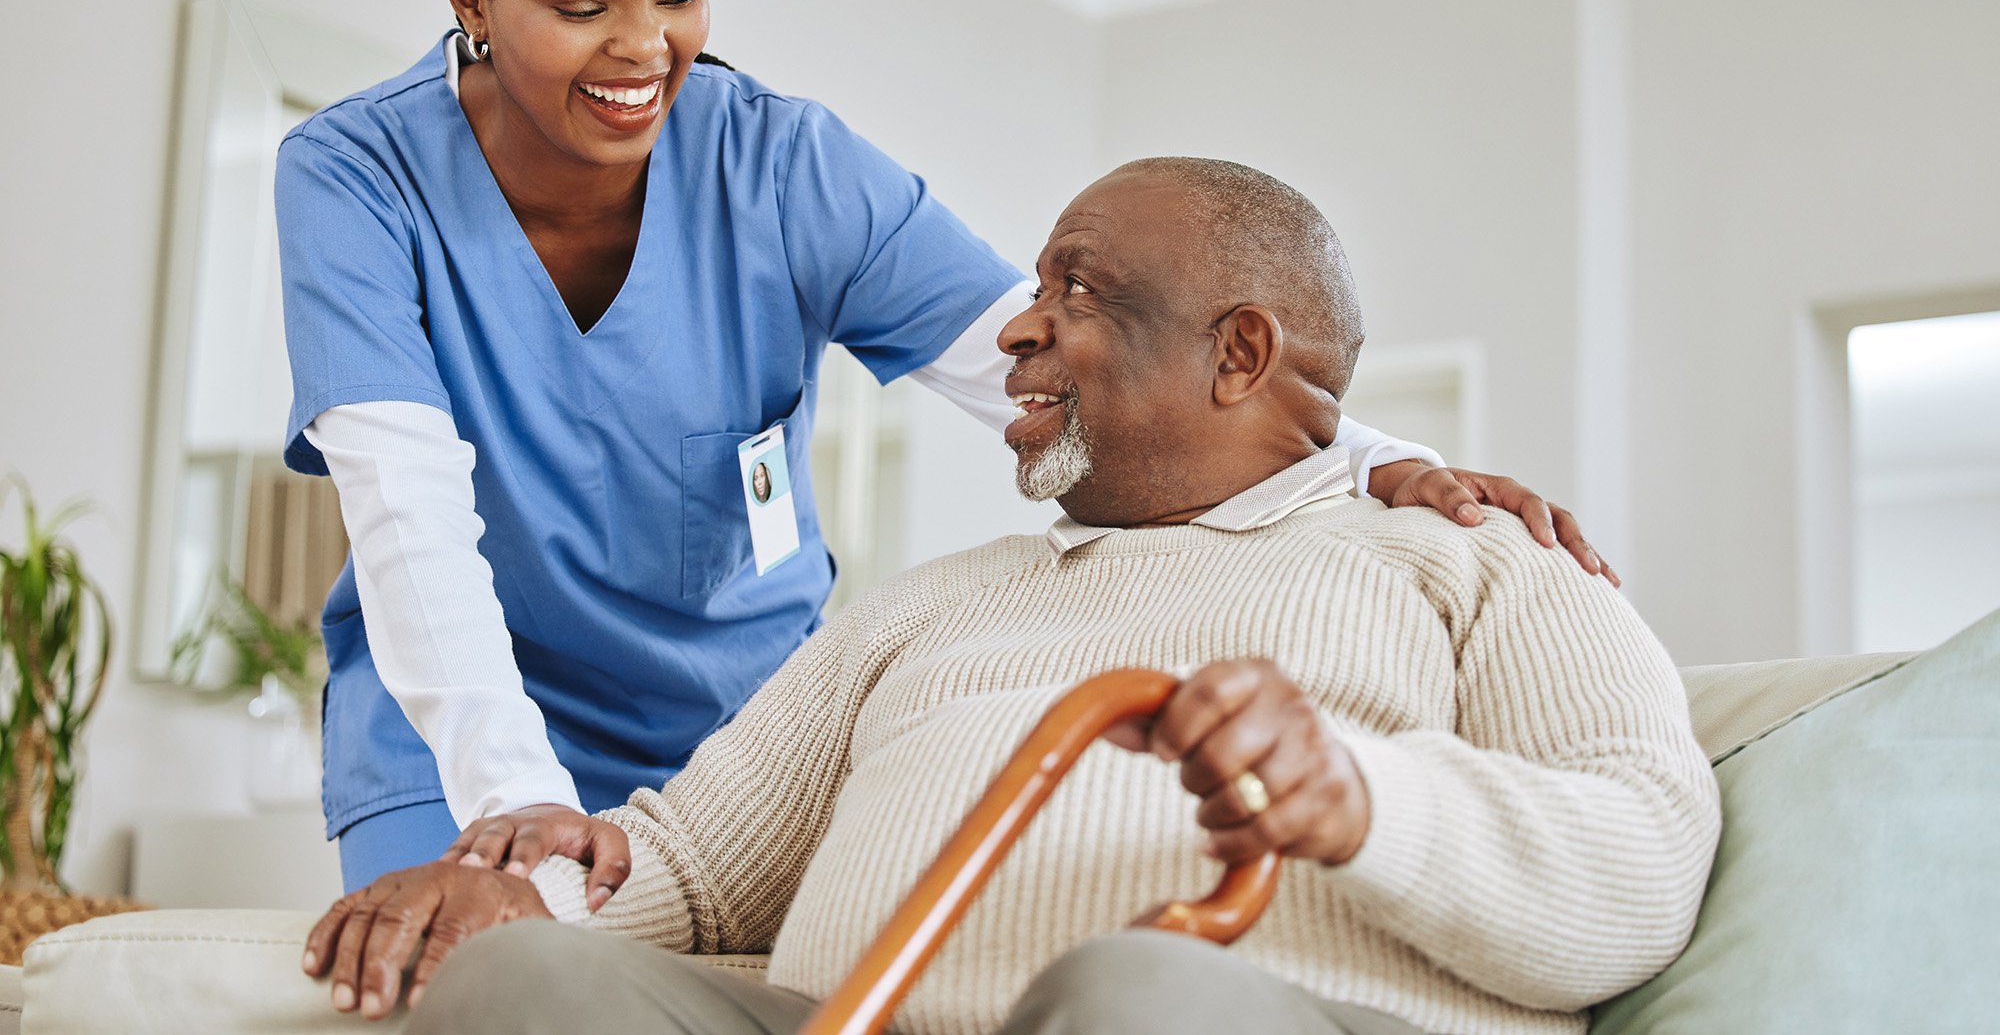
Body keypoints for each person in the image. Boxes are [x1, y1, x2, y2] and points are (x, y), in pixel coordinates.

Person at [276, 0, 1619, 895]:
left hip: (736, 737)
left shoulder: (782, 168)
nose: (646, 48)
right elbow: (408, 521)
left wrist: (1362, 454)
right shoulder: (352, 179)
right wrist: (516, 799)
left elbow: (1048, 365)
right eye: (581, 6)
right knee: (468, 977)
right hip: (456, 724)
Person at [303, 158, 1718, 1035]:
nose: (1020, 325)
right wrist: (508, 897)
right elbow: (684, 866)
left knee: (1139, 994)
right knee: (521, 988)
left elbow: (1646, 863)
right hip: (850, 1018)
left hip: (1234, 1013)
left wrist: (1362, 797)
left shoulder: (1474, 557)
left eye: (1080, 290)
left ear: (1239, 353)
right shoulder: (930, 605)